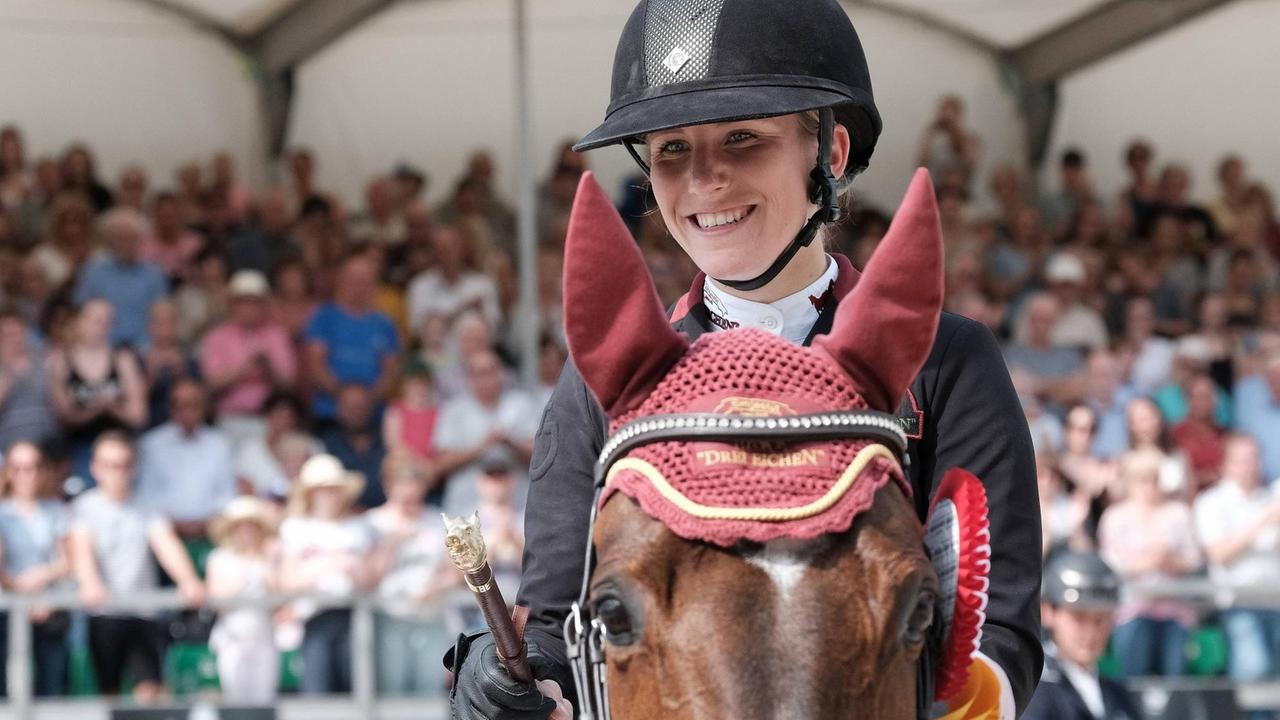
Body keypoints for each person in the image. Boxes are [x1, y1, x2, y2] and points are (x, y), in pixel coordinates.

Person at [449, 1, 1042, 718]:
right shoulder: (602, 382)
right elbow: (555, 620)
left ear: (831, 154)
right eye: (671, 149)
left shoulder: (948, 362)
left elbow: (1000, 633)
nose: (704, 180)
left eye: (742, 139)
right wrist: (513, 679)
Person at [68, 431, 205, 701]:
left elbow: (166, 544)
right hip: (104, 613)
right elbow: (81, 549)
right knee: (109, 694)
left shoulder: (148, 506)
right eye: (109, 465)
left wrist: (188, 579)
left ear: (133, 468)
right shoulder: (84, 507)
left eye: (122, 465)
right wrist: (89, 582)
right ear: (95, 468)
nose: (116, 473)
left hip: (143, 613)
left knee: (151, 691)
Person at [278, 454, 377, 695]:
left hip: (353, 616)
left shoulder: (359, 527)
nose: (330, 495)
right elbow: (286, 581)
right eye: (324, 490)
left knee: (355, 690)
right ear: (311, 493)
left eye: (334, 489)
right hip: (313, 617)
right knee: (316, 693)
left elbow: (369, 579)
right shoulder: (295, 528)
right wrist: (326, 568)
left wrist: (352, 570)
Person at [1023, 550, 1142, 720]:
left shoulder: (1118, 694)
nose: (1090, 632)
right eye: (1078, 617)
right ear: (1048, 612)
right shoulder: (1033, 689)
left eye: (1100, 619)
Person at [0, 441, 71, 696]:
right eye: (17, 468)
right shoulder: (1, 513)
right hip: (8, 607)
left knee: (52, 684)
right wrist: (21, 590)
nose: (25, 475)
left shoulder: (56, 510)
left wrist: (41, 577)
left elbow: (68, 559)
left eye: (32, 467)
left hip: (48, 606)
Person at [206, 495, 280, 705]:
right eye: (240, 526)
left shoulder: (267, 560)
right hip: (233, 639)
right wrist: (245, 581)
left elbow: (279, 599)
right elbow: (215, 598)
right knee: (235, 701)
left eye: (251, 526)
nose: (246, 532)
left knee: (264, 701)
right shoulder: (219, 558)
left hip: (264, 637)